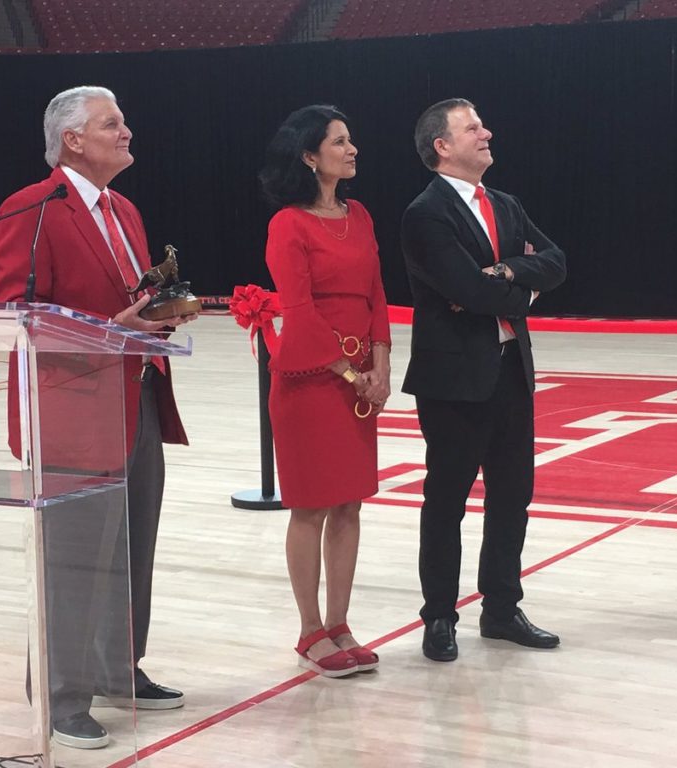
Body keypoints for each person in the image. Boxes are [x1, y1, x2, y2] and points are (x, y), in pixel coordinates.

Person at [0, 85, 195, 748]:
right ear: (73, 139)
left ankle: (117, 668)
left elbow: (128, 302)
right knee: (75, 556)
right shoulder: (34, 208)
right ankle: (58, 696)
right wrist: (111, 329)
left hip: (134, 395)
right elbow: (17, 317)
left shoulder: (124, 209)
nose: (126, 131)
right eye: (113, 123)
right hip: (71, 410)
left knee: (132, 544)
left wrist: (156, 319)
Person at [401, 98, 567, 662]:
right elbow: (468, 293)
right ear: (442, 146)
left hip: (509, 373)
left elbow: (556, 260)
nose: (486, 132)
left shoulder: (506, 204)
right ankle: (439, 617)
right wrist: (515, 287)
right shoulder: (425, 214)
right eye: (472, 128)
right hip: (453, 380)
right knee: (446, 500)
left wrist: (508, 271)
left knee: (512, 496)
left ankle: (500, 608)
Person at [259, 105, 392, 678]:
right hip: (311, 380)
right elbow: (299, 309)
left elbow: (378, 294)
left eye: (351, 138)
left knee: (350, 501)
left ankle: (340, 624)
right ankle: (311, 629)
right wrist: (347, 371)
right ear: (310, 156)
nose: (352, 148)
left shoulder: (358, 214)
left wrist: (381, 365)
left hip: (359, 375)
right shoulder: (288, 223)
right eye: (340, 141)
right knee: (312, 504)